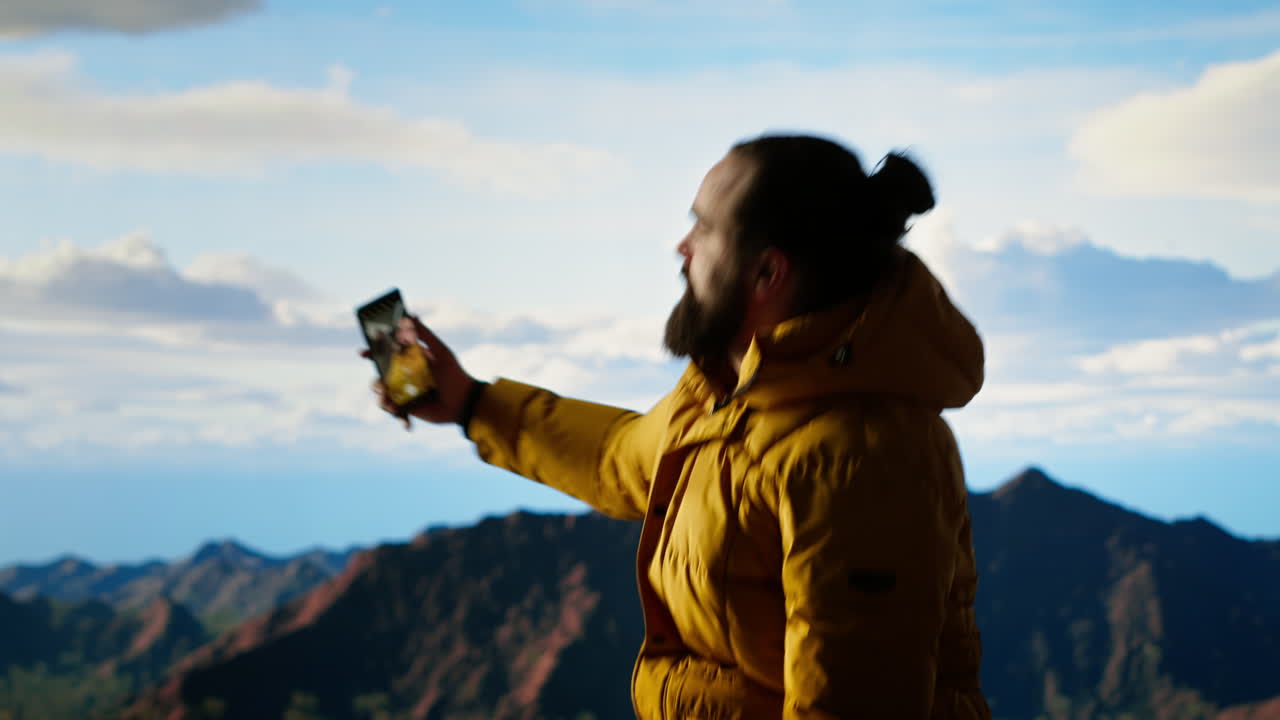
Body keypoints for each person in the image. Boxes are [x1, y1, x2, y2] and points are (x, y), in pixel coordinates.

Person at [366, 134, 990, 719]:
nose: (681, 247)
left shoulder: (858, 458)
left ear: (767, 273)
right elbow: (620, 456)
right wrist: (470, 402)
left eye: (702, 227)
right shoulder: (735, 393)